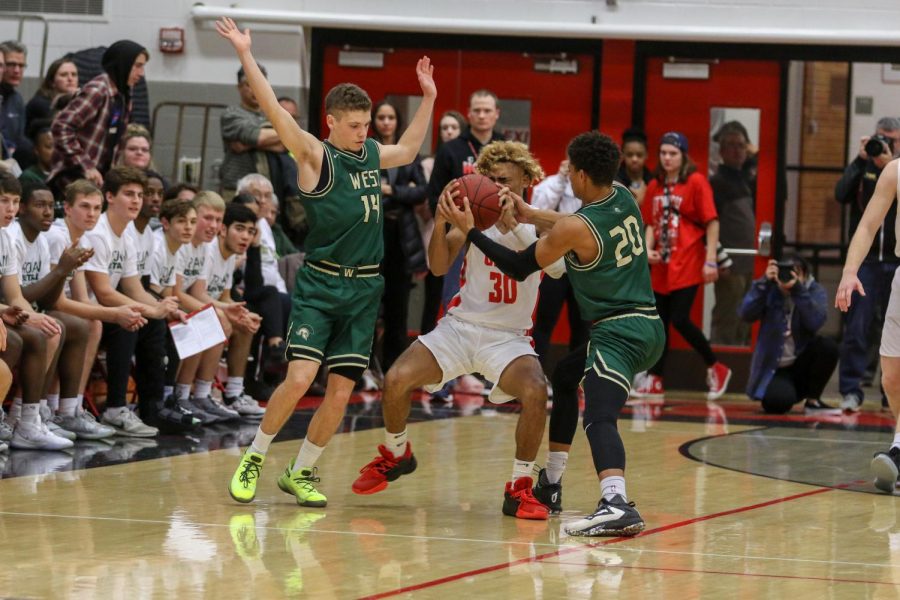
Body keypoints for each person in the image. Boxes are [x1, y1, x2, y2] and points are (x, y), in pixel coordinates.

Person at [216, 16, 436, 508]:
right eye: (354, 126)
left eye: (366, 125)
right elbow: (273, 110)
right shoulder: (313, 154)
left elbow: (410, 148)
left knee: (339, 392)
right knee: (298, 379)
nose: (363, 133)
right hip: (321, 286)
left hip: (364, 290)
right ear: (331, 122)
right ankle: (254, 457)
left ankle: (302, 471)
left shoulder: (370, 155)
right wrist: (245, 54)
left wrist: (429, 99)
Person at [440, 131, 664, 536]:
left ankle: (616, 502)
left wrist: (471, 231)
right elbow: (569, 222)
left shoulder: (575, 228)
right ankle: (553, 483)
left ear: (578, 175)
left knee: (598, 418)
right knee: (564, 376)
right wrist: (528, 213)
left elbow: (521, 264)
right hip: (647, 325)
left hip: (618, 332)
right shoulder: (623, 197)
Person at [352, 141, 561, 520]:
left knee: (535, 391)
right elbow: (436, 267)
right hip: (460, 328)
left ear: (527, 180)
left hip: (509, 339)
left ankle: (519, 488)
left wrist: (515, 225)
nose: (497, 189)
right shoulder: (474, 220)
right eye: (491, 180)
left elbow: (538, 266)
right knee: (396, 378)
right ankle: (397, 455)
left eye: (506, 182)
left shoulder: (543, 229)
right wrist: (441, 220)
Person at [81, 166, 195, 435]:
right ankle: (114, 408)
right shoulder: (99, 233)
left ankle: (152, 406)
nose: (136, 200)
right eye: (128, 194)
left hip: (100, 308)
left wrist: (158, 309)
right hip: (85, 307)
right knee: (128, 321)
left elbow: (133, 286)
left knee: (152, 323)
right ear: (109, 197)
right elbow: (104, 292)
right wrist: (148, 309)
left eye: (139, 195)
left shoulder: (127, 235)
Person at [633, 132, 731, 401]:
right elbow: (650, 223)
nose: (667, 158)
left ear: (683, 155)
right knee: (659, 324)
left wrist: (710, 259)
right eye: (663, 153)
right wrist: (645, 250)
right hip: (662, 266)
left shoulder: (696, 182)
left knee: (679, 318)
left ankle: (715, 365)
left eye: (672, 153)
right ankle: (655, 378)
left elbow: (711, 222)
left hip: (687, 261)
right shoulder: (655, 185)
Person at [836, 157, 900, 493]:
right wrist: (849, 272)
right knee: (891, 376)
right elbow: (867, 226)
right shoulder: (895, 170)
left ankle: (899, 451)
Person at [835, 116, 900, 413]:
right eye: (881, 137)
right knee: (857, 327)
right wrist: (861, 162)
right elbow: (843, 197)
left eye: (892, 138)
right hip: (871, 260)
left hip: (893, 259)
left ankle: (892, 401)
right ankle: (851, 389)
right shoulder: (875, 169)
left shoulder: (894, 167)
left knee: (884, 335)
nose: (885, 143)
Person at [740, 256, 839, 414]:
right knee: (777, 403)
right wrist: (763, 282)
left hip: (801, 363)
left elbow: (815, 322)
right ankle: (785, 392)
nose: (789, 277)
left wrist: (798, 290)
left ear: (805, 276)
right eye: (785, 272)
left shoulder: (814, 290)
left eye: (795, 273)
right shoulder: (768, 288)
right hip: (775, 368)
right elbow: (745, 314)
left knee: (828, 347)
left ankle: (813, 401)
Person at [371, 100, 428, 371]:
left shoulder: (409, 154)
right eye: (380, 117)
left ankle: (394, 368)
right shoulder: (367, 151)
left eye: (390, 117)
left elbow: (421, 192)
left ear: (397, 121)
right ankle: (366, 367)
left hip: (402, 237)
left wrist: (393, 191)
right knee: (369, 305)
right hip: (373, 233)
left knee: (399, 306)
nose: (385, 122)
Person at [49, 40, 149, 190]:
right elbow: (61, 126)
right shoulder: (98, 90)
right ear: (123, 64)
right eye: (138, 66)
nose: (141, 73)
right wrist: (86, 165)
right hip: (71, 179)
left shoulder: (125, 94)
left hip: (97, 180)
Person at [530, 157, 589, 368]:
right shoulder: (548, 185)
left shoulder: (593, 189)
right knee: (544, 324)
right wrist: (561, 181)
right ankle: (537, 374)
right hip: (554, 263)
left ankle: (578, 378)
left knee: (582, 326)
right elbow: (535, 217)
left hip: (583, 267)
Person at [419, 109, 467, 337]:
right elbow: (425, 197)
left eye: (454, 128)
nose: (449, 132)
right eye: (444, 128)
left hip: (463, 235)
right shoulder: (428, 162)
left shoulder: (466, 160)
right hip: (432, 233)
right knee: (434, 296)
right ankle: (427, 347)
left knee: (459, 296)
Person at [710, 121, 758, 346]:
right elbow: (710, 226)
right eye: (731, 146)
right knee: (728, 317)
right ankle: (721, 363)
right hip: (730, 262)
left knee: (746, 320)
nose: (737, 150)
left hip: (750, 261)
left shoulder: (747, 178)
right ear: (721, 151)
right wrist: (719, 259)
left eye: (741, 145)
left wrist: (755, 154)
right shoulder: (717, 182)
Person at [0, 41, 32, 166]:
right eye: (11, 64)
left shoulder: (17, 99)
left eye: (21, 65)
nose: (17, 70)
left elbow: (20, 138)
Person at [25, 57, 79, 126]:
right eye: (64, 75)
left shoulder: (80, 98)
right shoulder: (39, 103)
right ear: (52, 82)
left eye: (74, 75)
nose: (70, 78)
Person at [615, 128, 653, 205]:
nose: (634, 159)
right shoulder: (614, 182)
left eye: (639, 155)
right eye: (629, 154)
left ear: (646, 155)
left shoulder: (653, 181)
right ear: (622, 154)